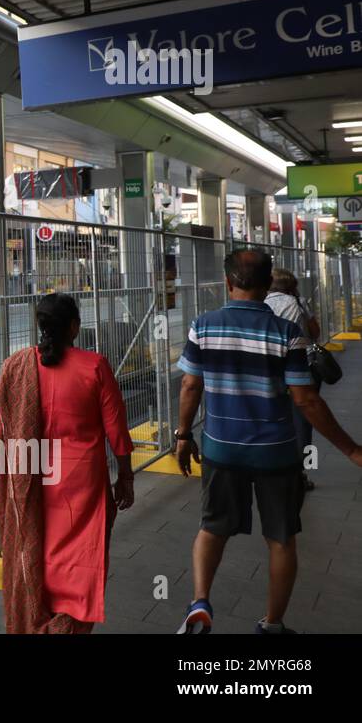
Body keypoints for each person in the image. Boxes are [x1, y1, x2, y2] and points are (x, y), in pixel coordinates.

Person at [175, 250, 362, 634]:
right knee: (280, 539)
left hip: (220, 448)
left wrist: (182, 435)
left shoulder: (203, 325)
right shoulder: (285, 332)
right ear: (265, 287)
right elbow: (306, 400)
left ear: (228, 283)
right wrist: (351, 449)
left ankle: (200, 603)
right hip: (275, 452)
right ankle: (271, 625)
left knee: (212, 528)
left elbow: (191, 384)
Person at [0, 292, 135, 633]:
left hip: (35, 480)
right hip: (81, 482)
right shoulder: (94, 365)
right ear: (74, 327)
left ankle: (38, 616)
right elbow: (117, 430)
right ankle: (68, 622)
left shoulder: (17, 366)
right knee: (80, 559)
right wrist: (125, 477)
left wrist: (7, 484)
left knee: (39, 550)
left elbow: (3, 431)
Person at [263, 268, 321, 491]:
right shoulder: (299, 302)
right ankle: (301, 472)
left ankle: (273, 469)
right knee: (303, 422)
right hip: (302, 367)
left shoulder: (263, 303)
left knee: (274, 418)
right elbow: (315, 333)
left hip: (271, 369)